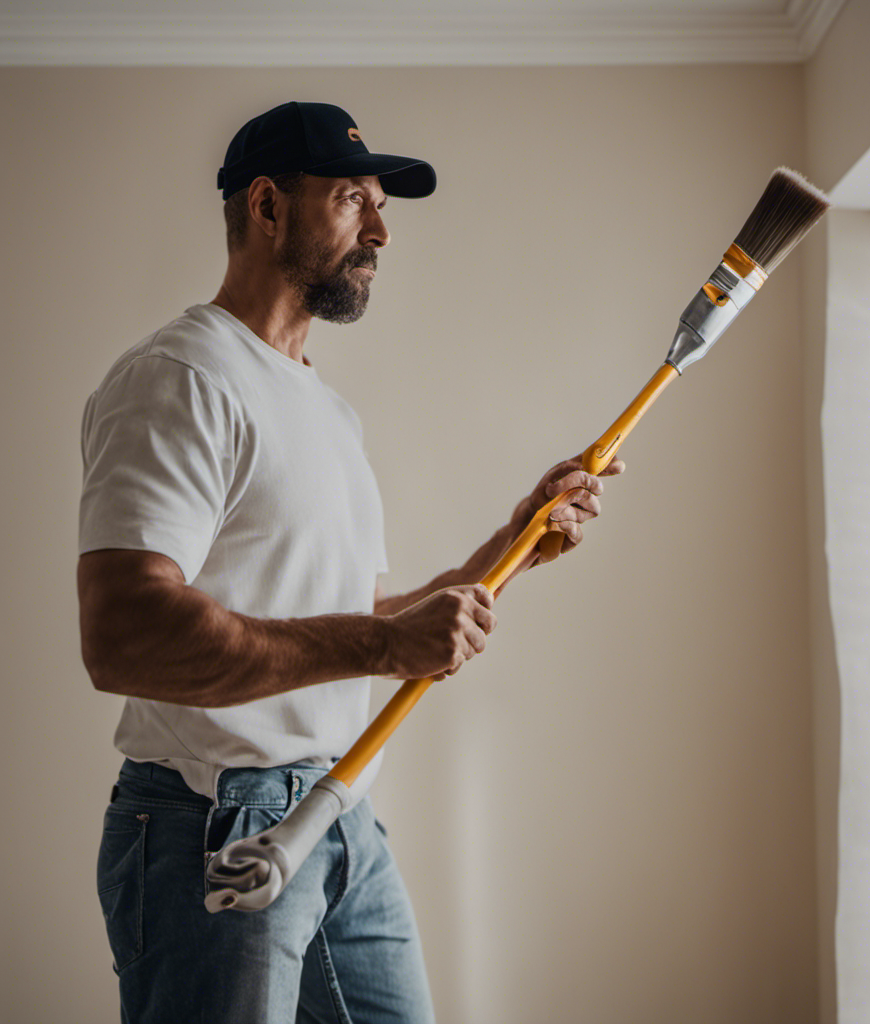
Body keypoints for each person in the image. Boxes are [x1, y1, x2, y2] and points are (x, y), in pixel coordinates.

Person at [77, 101, 623, 1024]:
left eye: (381, 205)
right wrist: (378, 644)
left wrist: (517, 544)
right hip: (215, 826)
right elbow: (125, 635)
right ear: (266, 206)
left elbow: (366, 611)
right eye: (353, 200)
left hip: (337, 814)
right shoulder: (181, 379)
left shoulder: (325, 410)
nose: (381, 230)